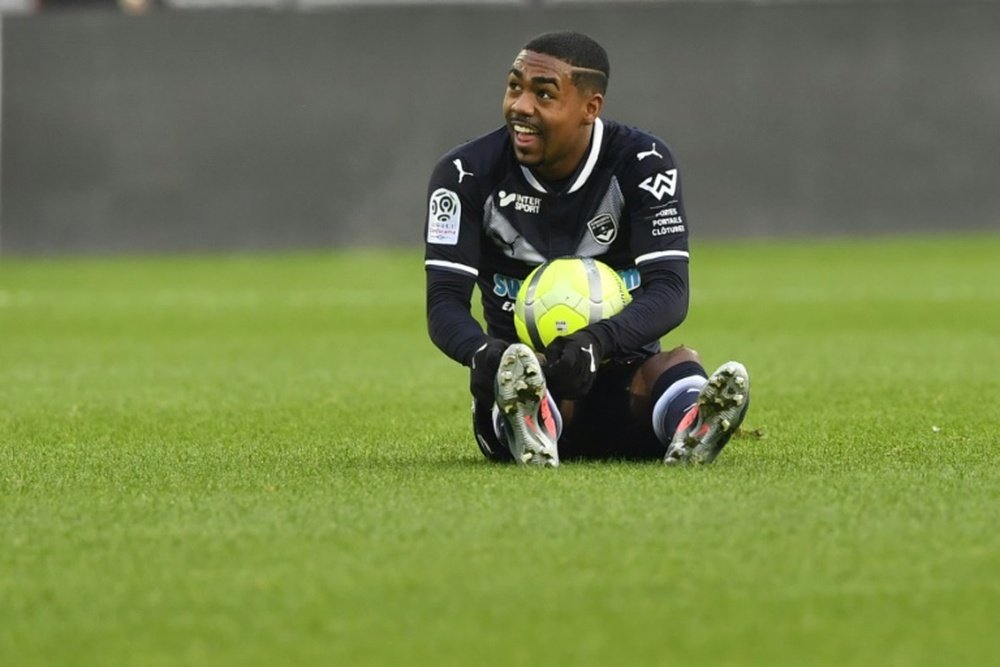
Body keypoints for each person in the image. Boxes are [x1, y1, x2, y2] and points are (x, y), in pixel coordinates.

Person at [423, 31, 750, 467]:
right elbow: (444, 303)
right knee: (523, 381)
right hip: (523, 373)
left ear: (590, 108)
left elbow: (670, 289)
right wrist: (483, 354)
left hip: (625, 371)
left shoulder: (643, 163)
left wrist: (597, 342)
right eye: (514, 86)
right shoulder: (464, 174)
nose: (520, 106)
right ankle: (529, 421)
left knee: (679, 361)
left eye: (544, 94)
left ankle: (690, 423)